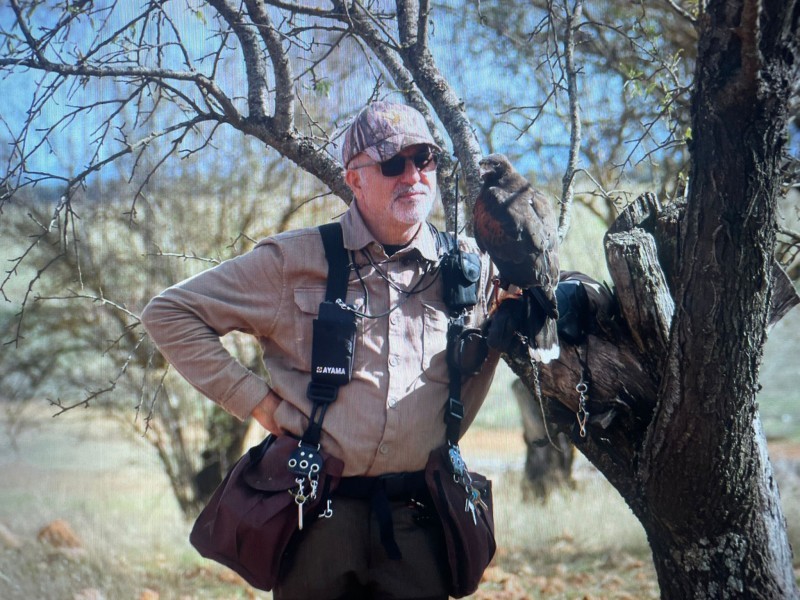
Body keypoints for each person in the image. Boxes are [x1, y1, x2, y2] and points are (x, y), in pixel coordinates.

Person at [141, 101, 501, 600]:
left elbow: (537, 312)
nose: (413, 176)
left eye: (425, 160)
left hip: (420, 521)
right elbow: (169, 313)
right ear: (354, 180)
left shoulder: (469, 268)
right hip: (316, 515)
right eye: (393, 164)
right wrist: (261, 406)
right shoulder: (294, 260)